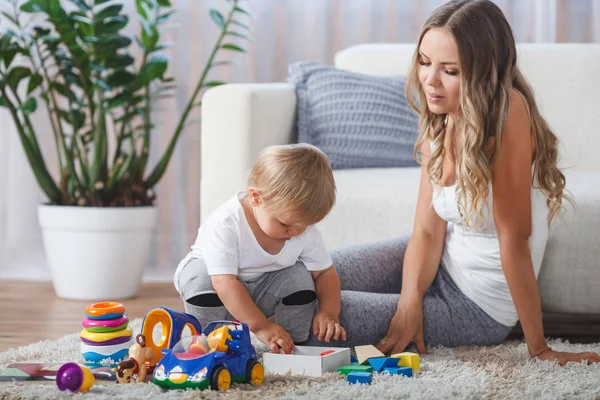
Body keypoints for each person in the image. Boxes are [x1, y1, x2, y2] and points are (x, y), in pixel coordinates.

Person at [304, 0, 600, 365]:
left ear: (483, 74)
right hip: (440, 261)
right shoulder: (441, 118)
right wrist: (409, 301)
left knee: (303, 313)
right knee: (304, 276)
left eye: (450, 70)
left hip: (476, 305)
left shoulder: (509, 112)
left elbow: (515, 239)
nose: (429, 80)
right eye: (425, 62)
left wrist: (539, 348)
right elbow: (427, 232)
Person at [174, 143, 347, 354]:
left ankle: (292, 345)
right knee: (199, 279)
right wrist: (260, 327)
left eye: (304, 225)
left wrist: (329, 312)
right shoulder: (227, 223)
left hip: (262, 290)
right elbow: (224, 282)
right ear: (256, 198)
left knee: (300, 277)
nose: (296, 232)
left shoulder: (303, 229)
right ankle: (208, 343)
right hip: (219, 291)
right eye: (286, 225)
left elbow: (325, 272)